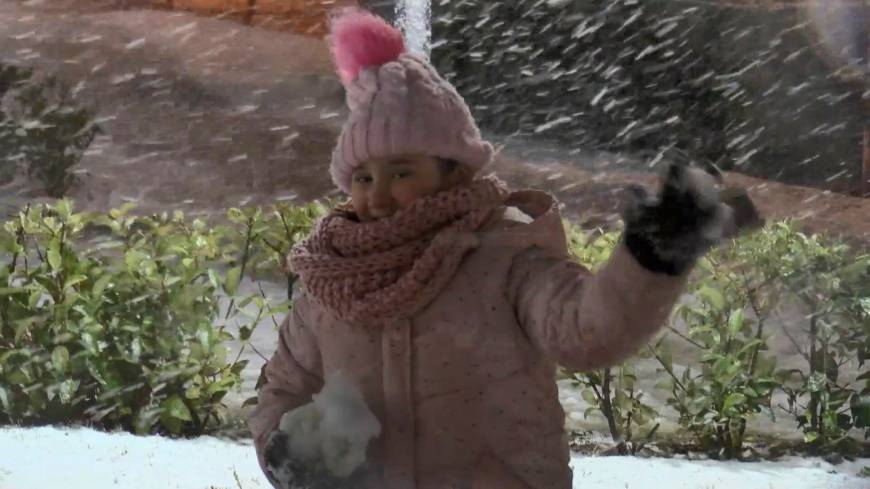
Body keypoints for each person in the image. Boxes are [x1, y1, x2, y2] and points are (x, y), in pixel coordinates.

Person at [249, 7, 758, 489]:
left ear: (454, 172)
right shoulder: (331, 280)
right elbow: (285, 390)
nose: (377, 196)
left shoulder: (506, 255)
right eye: (362, 176)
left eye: (402, 172)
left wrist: (651, 259)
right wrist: (285, 452)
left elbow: (588, 331)